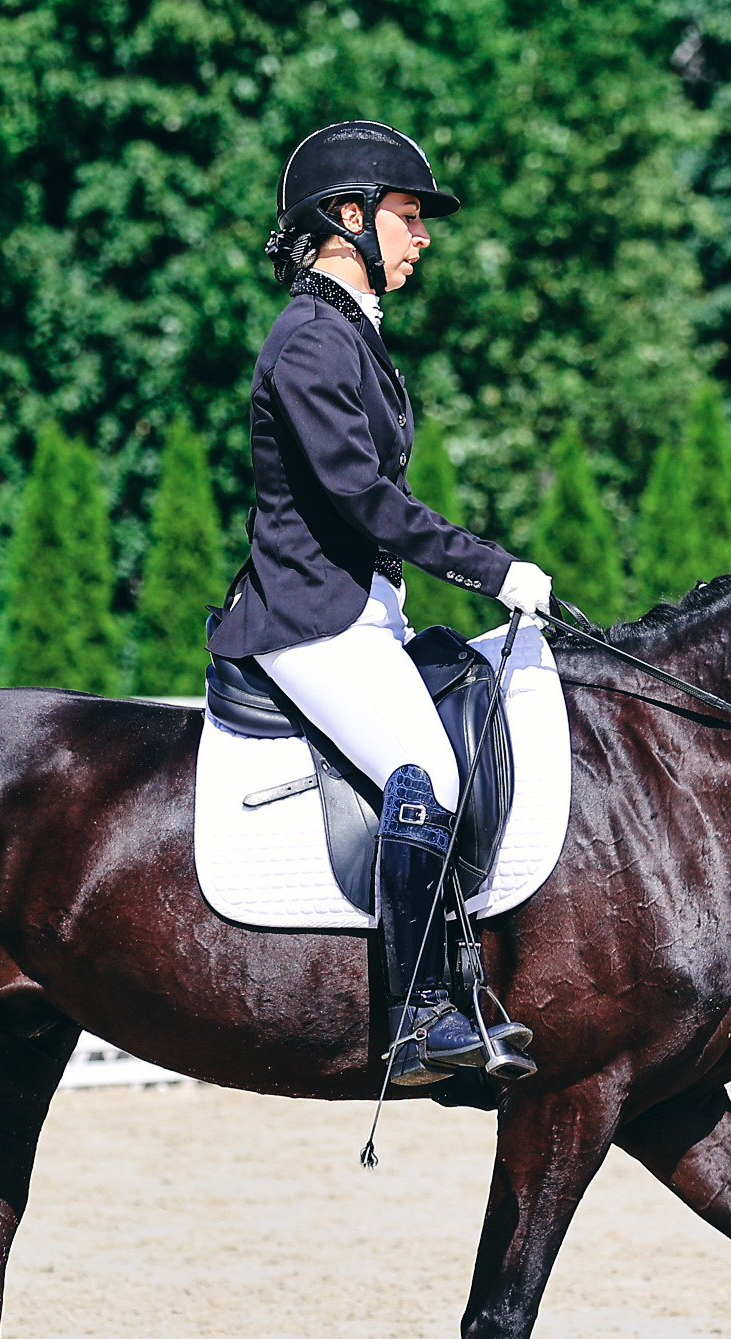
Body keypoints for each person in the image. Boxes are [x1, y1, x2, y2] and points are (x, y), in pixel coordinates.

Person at [211, 120, 554, 1087]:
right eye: (408, 217)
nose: (421, 237)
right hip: (307, 620)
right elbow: (363, 496)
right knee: (426, 774)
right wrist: (492, 570)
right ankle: (416, 1016)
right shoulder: (310, 340)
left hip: (363, 614)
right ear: (348, 218)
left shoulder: (348, 333)